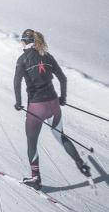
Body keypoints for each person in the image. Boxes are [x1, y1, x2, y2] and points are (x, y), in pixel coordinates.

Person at [14, 29, 91, 190]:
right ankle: (80, 163)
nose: (21, 43)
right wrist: (63, 98)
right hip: (54, 103)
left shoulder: (22, 59)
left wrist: (18, 102)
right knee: (61, 136)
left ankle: (35, 178)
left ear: (27, 42)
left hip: (37, 106)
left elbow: (17, 82)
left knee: (32, 142)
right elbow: (63, 78)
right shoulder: (48, 56)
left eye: (22, 41)